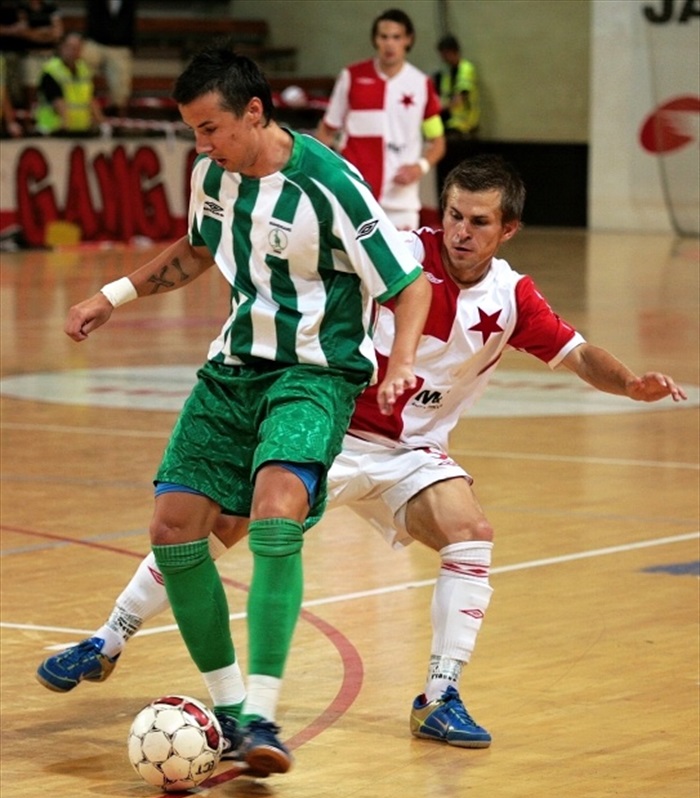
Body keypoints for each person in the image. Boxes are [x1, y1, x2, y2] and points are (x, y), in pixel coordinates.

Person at [37, 155, 687, 757]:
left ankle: (438, 697)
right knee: (226, 526)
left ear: (507, 230)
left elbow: (577, 353)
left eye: (479, 222)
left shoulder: (513, 300)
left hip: (414, 454)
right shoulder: (399, 254)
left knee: (472, 532)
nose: (461, 231)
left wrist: (630, 383)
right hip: (338, 432)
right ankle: (107, 639)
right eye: (454, 215)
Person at [51, 43, 431, 778]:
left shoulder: (331, 185)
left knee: (276, 510)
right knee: (172, 529)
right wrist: (112, 296)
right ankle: (230, 714)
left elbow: (408, 285)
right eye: (193, 131)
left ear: (253, 113)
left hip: (314, 374)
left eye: (209, 129)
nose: (201, 145)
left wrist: (405, 361)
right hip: (232, 370)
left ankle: (263, 712)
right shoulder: (212, 177)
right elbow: (197, 250)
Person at [315, 8, 445, 231]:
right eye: (383, 37)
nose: (389, 44)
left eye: (396, 37)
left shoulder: (421, 84)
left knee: (402, 265)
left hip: (401, 202)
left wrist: (419, 167)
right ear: (375, 40)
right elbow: (326, 132)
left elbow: (438, 142)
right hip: (355, 196)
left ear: (408, 40)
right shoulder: (351, 77)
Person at [34, 31, 104, 135]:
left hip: (80, 130)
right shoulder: (51, 71)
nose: (74, 51)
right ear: (61, 47)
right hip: (54, 130)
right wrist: (65, 124)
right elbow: (57, 101)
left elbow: (91, 99)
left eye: (78, 48)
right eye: (70, 47)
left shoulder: (84, 70)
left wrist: (102, 123)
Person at [80, 0, 136, 117]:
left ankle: (116, 111)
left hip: (119, 46)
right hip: (96, 42)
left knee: (121, 78)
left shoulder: (130, 2)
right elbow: (92, 22)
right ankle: (84, 98)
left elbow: (130, 24)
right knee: (82, 62)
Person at [16, 0, 63, 107]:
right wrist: (46, 33)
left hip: (49, 56)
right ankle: (32, 115)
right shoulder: (22, 7)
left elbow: (58, 33)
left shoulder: (50, 7)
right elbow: (23, 32)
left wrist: (34, 33)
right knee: (31, 88)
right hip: (30, 55)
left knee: (54, 87)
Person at [434, 34, 480, 138]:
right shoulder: (447, 73)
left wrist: (438, 108)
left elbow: (459, 99)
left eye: (444, 54)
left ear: (452, 52)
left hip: (465, 125)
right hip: (451, 123)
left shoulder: (466, 69)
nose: (442, 58)